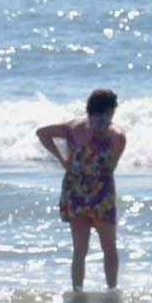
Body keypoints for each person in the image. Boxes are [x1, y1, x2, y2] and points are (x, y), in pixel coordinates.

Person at [36, 88, 127, 291]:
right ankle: (111, 291)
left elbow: (42, 133)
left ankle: (77, 292)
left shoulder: (72, 127)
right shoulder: (115, 134)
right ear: (111, 110)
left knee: (79, 250)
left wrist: (62, 159)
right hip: (101, 194)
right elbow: (111, 165)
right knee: (109, 248)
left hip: (74, 191)